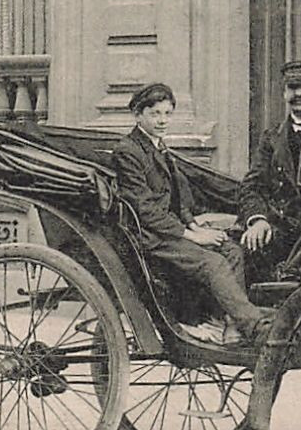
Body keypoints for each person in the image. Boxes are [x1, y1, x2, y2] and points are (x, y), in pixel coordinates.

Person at [112, 83, 267, 345]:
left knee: (231, 250)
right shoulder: (128, 151)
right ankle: (254, 325)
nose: (162, 120)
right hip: (151, 236)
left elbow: (177, 201)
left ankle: (228, 323)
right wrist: (190, 236)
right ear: (138, 115)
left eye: (167, 114)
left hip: (170, 229)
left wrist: (195, 228)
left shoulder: (159, 146)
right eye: (155, 114)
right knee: (214, 263)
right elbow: (144, 208)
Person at [238, 59, 301, 277]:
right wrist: (258, 220)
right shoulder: (271, 138)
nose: (298, 94)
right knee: (250, 247)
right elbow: (252, 187)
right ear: (284, 94)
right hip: (283, 227)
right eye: (292, 88)